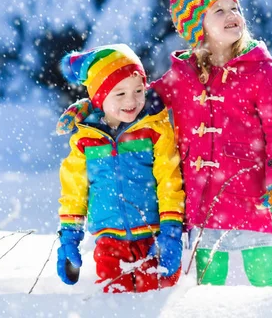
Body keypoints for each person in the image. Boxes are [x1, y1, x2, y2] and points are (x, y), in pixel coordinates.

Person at [58, 0, 272, 287]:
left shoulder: (259, 68)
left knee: (262, 274)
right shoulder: (184, 74)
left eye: (234, 7)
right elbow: (141, 100)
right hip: (203, 200)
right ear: (199, 25)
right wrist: (97, 105)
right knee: (210, 282)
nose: (232, 15)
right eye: (219, 10)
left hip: (251, 192)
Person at [56, 44, 185, 293]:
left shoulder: (153, 131)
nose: (132, 100)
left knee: (155, 299)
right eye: (120, 94)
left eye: (138, 90)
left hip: (152, 236)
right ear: (99, 98)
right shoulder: (85, 141)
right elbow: (74, 188)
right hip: (108, 241)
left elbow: (169, 179)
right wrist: (69, 235)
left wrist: (170, 230)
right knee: (113, 302)